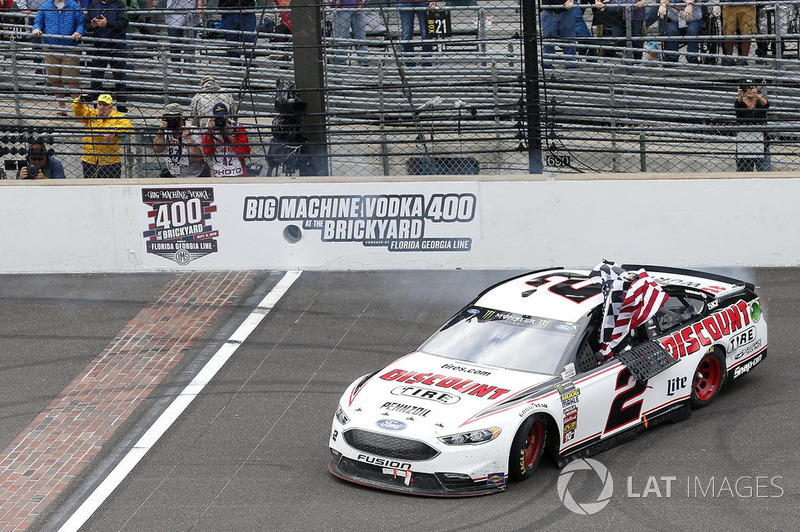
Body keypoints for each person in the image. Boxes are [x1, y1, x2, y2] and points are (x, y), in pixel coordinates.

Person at [32, 0, 85, 116]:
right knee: (55, 80)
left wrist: (79, 32)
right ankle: (62, 108)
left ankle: (78, 109)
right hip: (50, 48)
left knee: (73, 81)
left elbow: (81, 23)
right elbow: (38, 22)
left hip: (70, 47)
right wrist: (36, 28)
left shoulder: (74, 5)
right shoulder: (45, 6)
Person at [72, 93, 133, 178]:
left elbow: (128, 127)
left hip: (110, 161)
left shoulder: (118, 116)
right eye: (100, 104)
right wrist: (79, 100)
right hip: (90, 159)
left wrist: (114, 130)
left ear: (111, 107)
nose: (101, 107)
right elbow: (78, 110)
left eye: (105, 105)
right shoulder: (91, 114)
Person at [85, 0, 130, 112]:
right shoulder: (94, 5)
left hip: (117, 47)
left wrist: (107, 24)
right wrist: (93, 25)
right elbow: (86, 26)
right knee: (96, 78)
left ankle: (121, 109)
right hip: (98, 46)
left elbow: (124, 24)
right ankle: (97, 107)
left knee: (120, 78)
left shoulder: (119, 4)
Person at [153, 103, 207, 177]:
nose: (172, 121)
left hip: (194, 175)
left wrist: (189, 140)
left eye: (174, 119)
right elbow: (158, 149)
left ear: (181, 119)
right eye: (169, 118)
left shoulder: (194, 131)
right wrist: (161, 131)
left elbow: (198, 159)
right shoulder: (165, 131)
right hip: (172, 174)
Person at [201, 102, 250, 177]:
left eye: (223, 117)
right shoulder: (211, 131)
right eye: (218, 118)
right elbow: (207, 152)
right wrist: (209, 132)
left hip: (238, 173)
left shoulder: (237, 128)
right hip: (218, 174)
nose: (221, 120)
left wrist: (231, 136)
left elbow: (244, 154)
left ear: (227, 116)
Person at [734, 80, 769, 172]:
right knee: (744, 172)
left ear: (757, 88)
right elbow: (737, 106)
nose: (749, 90)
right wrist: (741, 96)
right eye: (746, 88)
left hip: (762, 140)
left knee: (764, 171)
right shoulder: (740, 103)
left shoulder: (760, 103)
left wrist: (756, 95)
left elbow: (766, 104)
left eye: (752, 88)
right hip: (744, 141)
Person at [165, 0, 205, 68]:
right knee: (174, 42)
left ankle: (189, 67)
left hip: (191, 10)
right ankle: (176, 67)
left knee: (190, 43)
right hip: (174, 11)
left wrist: (200, 5)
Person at [397, 0, 436, 67]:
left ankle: (426, 63)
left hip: (423, 2)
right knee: (406, 34)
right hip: (405, 2)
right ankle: (410, 64)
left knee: (426, 34)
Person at [218, 0, 257, 66]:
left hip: (247, 9)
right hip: (227, 9)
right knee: (231, 40)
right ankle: (234, 64)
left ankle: (250, 63)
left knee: (249, 39)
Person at [331, 0, 368, 67]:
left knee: (361, 37)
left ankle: (364, 61)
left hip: (358, 8)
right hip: (341, 8)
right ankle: (341, 62)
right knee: (342, 37)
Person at [541, 0, 576, 68]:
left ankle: (570, 63)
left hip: (566, 11)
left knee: (568, 39)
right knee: (548, 41)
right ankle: (547, 63)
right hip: (548, 12)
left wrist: (571, 0)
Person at [721, 0, 756, 65]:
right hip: (729, 5)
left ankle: (744, 59)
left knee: (747, 32)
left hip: (747, 5)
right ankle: (729, 58)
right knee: (728, 32)